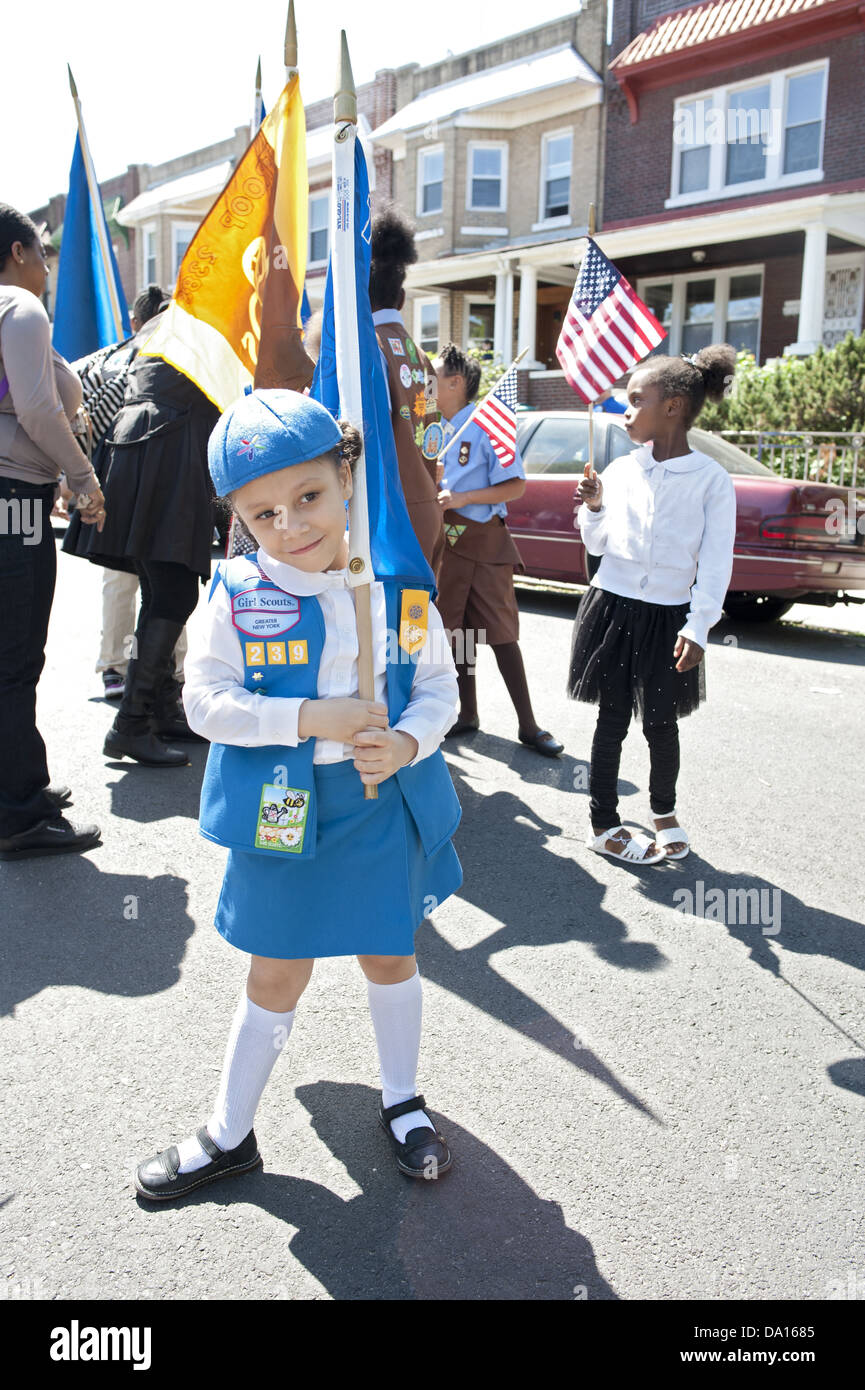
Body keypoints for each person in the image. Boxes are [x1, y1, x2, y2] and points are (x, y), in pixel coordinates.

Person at [134, 388, 462, 1200]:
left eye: (308, 496)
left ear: (346, 474)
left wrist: (407, 740)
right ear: (237, 515)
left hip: (381, 804)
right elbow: (204, 703)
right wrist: (309, 715)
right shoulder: (236, 597)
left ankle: (402, 1101)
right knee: (275, 971)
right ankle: (228, 1132)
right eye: (263, 512)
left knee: (390, 952)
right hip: (284, 812)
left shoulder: (399, 589)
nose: (291, 527)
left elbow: (438, 689)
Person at [569, 345, 738, 864]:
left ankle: (663, 810)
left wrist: (700, 625)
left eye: (635, 400)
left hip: (669, 617)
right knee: (612, 718)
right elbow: (595, 545)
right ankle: (603, 821)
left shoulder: (711, 480)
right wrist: (595, 507)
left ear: (672, 407)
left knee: (662, 723)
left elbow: (715, 563)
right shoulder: (620, 470)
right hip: (614, 607)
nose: (625, 410)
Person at [63, 326, 222, 766]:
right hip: (167, 448)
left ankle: (159, 709)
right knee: (171, 594)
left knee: (158, 594)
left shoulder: (155, 337)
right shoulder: (198, 327)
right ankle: (131, 723)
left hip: (140, 446)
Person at [0, 204, 103, 860]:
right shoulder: (18, 306)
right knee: (15, 663)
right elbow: (38, 408)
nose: (46, 269)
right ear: (16, 253)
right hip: (13, 505)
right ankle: (19, 814)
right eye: (42, 255)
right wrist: (84, 477)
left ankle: (18, 787)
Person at [433, 342, 563, 757]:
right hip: (447, 543)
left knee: (503, 634)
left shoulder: (487, 425)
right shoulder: (434, 429)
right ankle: (467, 712)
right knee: (458, 633)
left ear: (455, 383)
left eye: (433, 378)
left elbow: (516, 485)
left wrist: (462, 497)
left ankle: (529, 724)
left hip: (484, 539)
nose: (426, 384)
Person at [72, 285, 186, 701]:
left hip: (117, 476)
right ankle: (156, 674)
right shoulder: (133, 357)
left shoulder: (114, 357)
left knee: (149, 583)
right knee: (159, 581)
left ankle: (132, 670)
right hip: (129, 476)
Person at [369, 207, 445, 570]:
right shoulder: (422, 359)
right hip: (425, 510)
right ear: (401, 299)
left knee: (389, 627)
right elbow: (431, 430)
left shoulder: (369, 352)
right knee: (415, 626)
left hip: (390, 521)